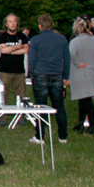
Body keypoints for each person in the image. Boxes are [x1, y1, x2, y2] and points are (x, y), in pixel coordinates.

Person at [28, 14, 70, 144]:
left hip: (40, 74)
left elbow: (32, 60)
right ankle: (63, 136)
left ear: (40, 26)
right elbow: (67, 59)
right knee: (59, 106)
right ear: (52, 25)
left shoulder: (35, 40)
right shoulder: (62, 39)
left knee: (41, 107)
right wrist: (66, 76)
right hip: (57, 74)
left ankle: (40, 136)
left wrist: (32, 75)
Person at [68, 17, 94, 135]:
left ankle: (91, 125)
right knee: (84, 99)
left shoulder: (75, 41)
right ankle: (81, 122)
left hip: (82, 73)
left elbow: (71, 54)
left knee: (86, 100)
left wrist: (78, 63)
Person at [0, 13, 30, 105]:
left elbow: (26, 49)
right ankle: (4, 117)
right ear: (6, 24)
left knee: (20, 96)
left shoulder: (22, 36)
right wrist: (18, 47)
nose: (13, 24)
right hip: (5, 70)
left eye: (14, 21)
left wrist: (10, 51)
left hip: (19, 71)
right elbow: (3, 50)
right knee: (3, 95)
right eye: (10, 22)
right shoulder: (2, 37)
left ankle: (20, 117)